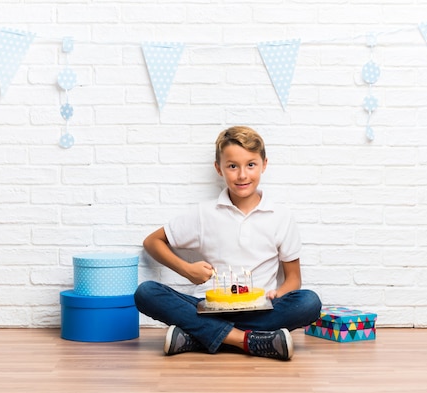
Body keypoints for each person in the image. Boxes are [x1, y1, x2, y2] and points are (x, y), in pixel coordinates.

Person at [135, 126, 321, 361]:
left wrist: (279, 293)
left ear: (264, 164)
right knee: (146, 292)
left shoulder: (281, 216)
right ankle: (249, 341)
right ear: (219, 168)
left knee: (309, 302)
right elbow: (152, 242)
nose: (242, 175)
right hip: (207, 308)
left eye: (251, 165)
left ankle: (197, 336)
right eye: (232, 166)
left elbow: (293, 278)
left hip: (259, 309)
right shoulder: (204, 214)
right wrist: (187, 269)